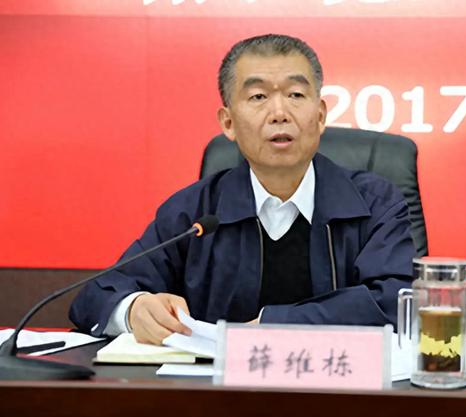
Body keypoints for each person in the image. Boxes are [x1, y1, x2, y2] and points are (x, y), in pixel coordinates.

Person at [69, 34, 415, 345]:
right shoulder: (195, 211)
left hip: (339, 388)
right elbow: (97, 296)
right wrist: (134, 309)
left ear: (321, 115)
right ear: (228, 123)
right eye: (258, 96)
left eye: (296, 95)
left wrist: (273, 326)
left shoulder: (375, 204)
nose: (279, 112)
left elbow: (397, 301)